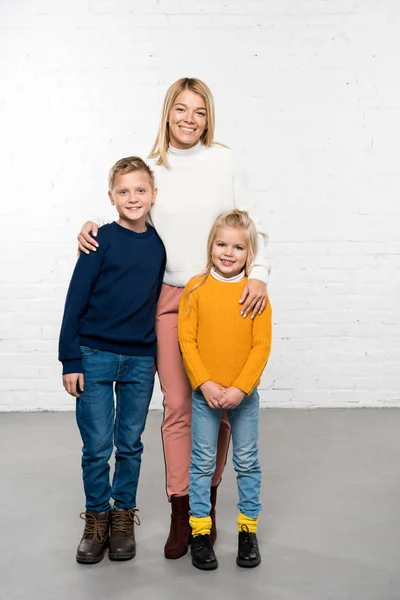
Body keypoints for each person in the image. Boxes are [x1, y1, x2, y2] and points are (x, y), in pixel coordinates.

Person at [77, 77, 270, 559]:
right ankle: (182, 509)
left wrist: (259, 273)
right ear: (167, 113)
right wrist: (90, 227)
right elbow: (130, 214)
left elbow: (254, 223)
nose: (189, 119)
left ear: (209, 117)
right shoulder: (154, 166)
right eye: (180, 109)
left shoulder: (225, 161)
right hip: (167, 298)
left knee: (222, 409)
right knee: (181, 404)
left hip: (220, 294)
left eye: (199, 111)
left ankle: (205, 504)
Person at [59, 157, 166, 564]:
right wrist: (70, 358)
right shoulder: (98, 240)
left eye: (141, 190)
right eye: (124, 191)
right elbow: (75, 300)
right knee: (97, 446)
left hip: (140, 359)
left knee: (130, 444)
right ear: (111, 197)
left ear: (154, 195)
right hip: (95, 355)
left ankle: (122, 517)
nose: (133, 198)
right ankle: (97, 518)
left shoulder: (159, 245)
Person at [178, 210, 272, 571]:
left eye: (237, 247)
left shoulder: (255, 293)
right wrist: (204, 383)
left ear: (250, 253)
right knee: (202, 463)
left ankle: (248, 530)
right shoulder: (196, 288)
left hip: (243, 397)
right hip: (206, 395)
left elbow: (260, 347)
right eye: (221, 244)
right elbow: (187, 340)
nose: (228, 252)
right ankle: (200, 531)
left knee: (247, 462)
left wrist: (240, 389)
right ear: (210, 245)